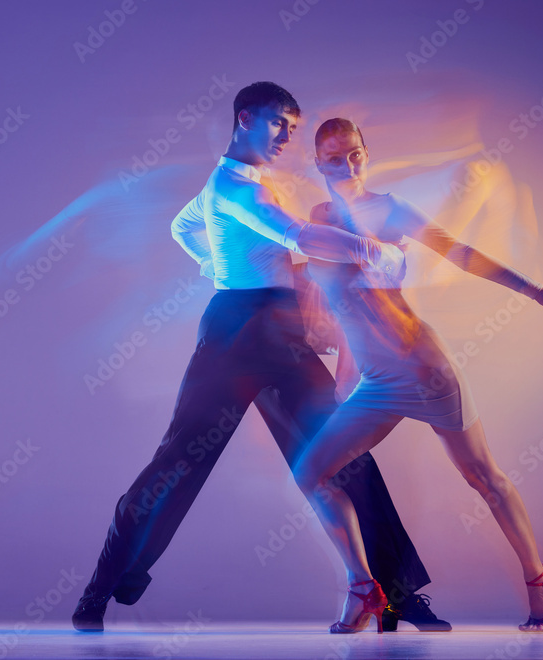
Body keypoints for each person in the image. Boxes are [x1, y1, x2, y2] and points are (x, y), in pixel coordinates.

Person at [73, 84, 450, 632]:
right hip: (234, 337)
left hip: (280, 331)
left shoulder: (244, 184)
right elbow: (297, 236)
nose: (286, 137)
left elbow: (182, 226)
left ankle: (396, 595)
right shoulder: (234, 186)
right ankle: (100, 590)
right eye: (279, 124)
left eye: (292, 128)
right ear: (245, 118)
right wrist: (378, 253)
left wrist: (213, 262)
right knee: (176, 462)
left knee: (345, 452)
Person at [291, 118, 543, 634]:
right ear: (318, 164)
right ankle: (364, 590)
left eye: (355, 154)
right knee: (311, 472)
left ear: (366, 152)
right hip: (375, 383)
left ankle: (540, 580)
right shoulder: (315, 218)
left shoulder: (389, 209)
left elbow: (460, 253)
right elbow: (338, 307)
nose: (347, 166)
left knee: (483, 478)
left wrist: (532, 289)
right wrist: (342, 375)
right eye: (334, 158)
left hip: (423, 368)